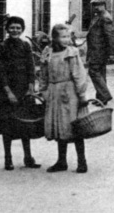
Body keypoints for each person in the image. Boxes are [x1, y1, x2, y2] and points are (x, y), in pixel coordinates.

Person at [41, 23, 89, 173]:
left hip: (69, 93)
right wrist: (43, 92)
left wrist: (81, 95)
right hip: (54, 92)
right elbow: (43, 74)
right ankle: (61, 161)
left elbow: (79, 75)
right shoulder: (47, 52)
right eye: (63, 37)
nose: (66, 40)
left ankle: (82, 161)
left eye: (68, 36)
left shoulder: (72, 52)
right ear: (54, 38)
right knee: (59, 127)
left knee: (75, 126)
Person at [0, 16, 41, 171]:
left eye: (18, 28)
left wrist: (30, 87)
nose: (15, 30)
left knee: (26, 125)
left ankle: (28, 157)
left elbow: (31, 67)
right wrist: (8, 92)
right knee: (7, 127)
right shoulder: (2, 47)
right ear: (7, 29)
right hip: (8, 91)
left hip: (23, 91)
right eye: (12, 27)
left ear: (22, 29)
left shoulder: (25, 45)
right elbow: (0, 72)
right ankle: (8, 159)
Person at [85, 0, 114, 104]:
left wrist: (112, 53)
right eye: (94, 6)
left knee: (93, 71)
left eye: (98, 5)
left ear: (103, 5)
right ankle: (101, 98)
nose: (96, 8)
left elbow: (110, 36)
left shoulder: (105, 18)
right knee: (100, 73)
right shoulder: (98, 16)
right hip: (96, 50)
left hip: (99, 50)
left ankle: (105, 95)